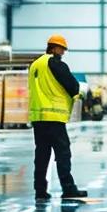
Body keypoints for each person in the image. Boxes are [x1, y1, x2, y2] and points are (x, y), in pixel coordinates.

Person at [28, 35, 88, 200]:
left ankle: (40, 190)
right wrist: (78, 91)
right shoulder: (55, 63)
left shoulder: (34, 65)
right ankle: (68, 188)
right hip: (54, 116)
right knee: (63, 153)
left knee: (41, 154)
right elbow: (72, 86)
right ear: (54, 48)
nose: (62, 53)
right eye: (61, 49)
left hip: (38, 117)